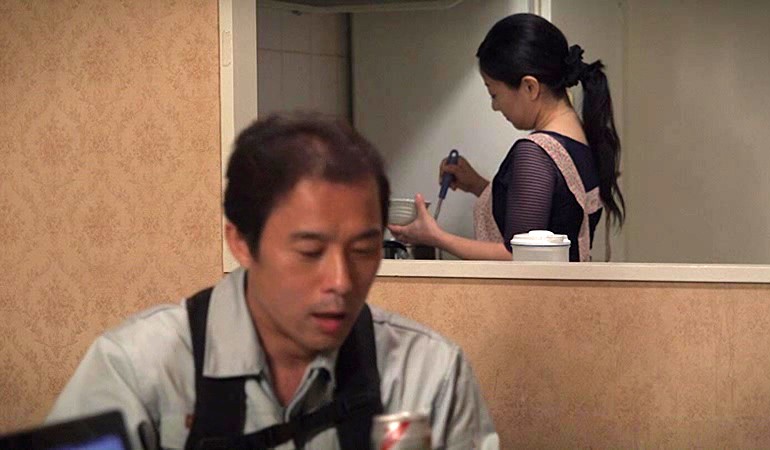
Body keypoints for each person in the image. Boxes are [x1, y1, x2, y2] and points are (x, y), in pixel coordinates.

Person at [47, 113, 498, 449]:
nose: (341, 282)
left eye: (363, 250)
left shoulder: (429, 374)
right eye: (309, 252)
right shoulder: (137, 369)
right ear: (241, 243)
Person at [389, 13, 625, 262]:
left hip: (537, 290)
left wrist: (435, 237)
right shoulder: (580, 141)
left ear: (530, 87)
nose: (495, 106)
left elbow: (516, 256)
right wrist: (477, 185)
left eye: (494, 94)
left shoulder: (535, 153)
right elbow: (553, 214)